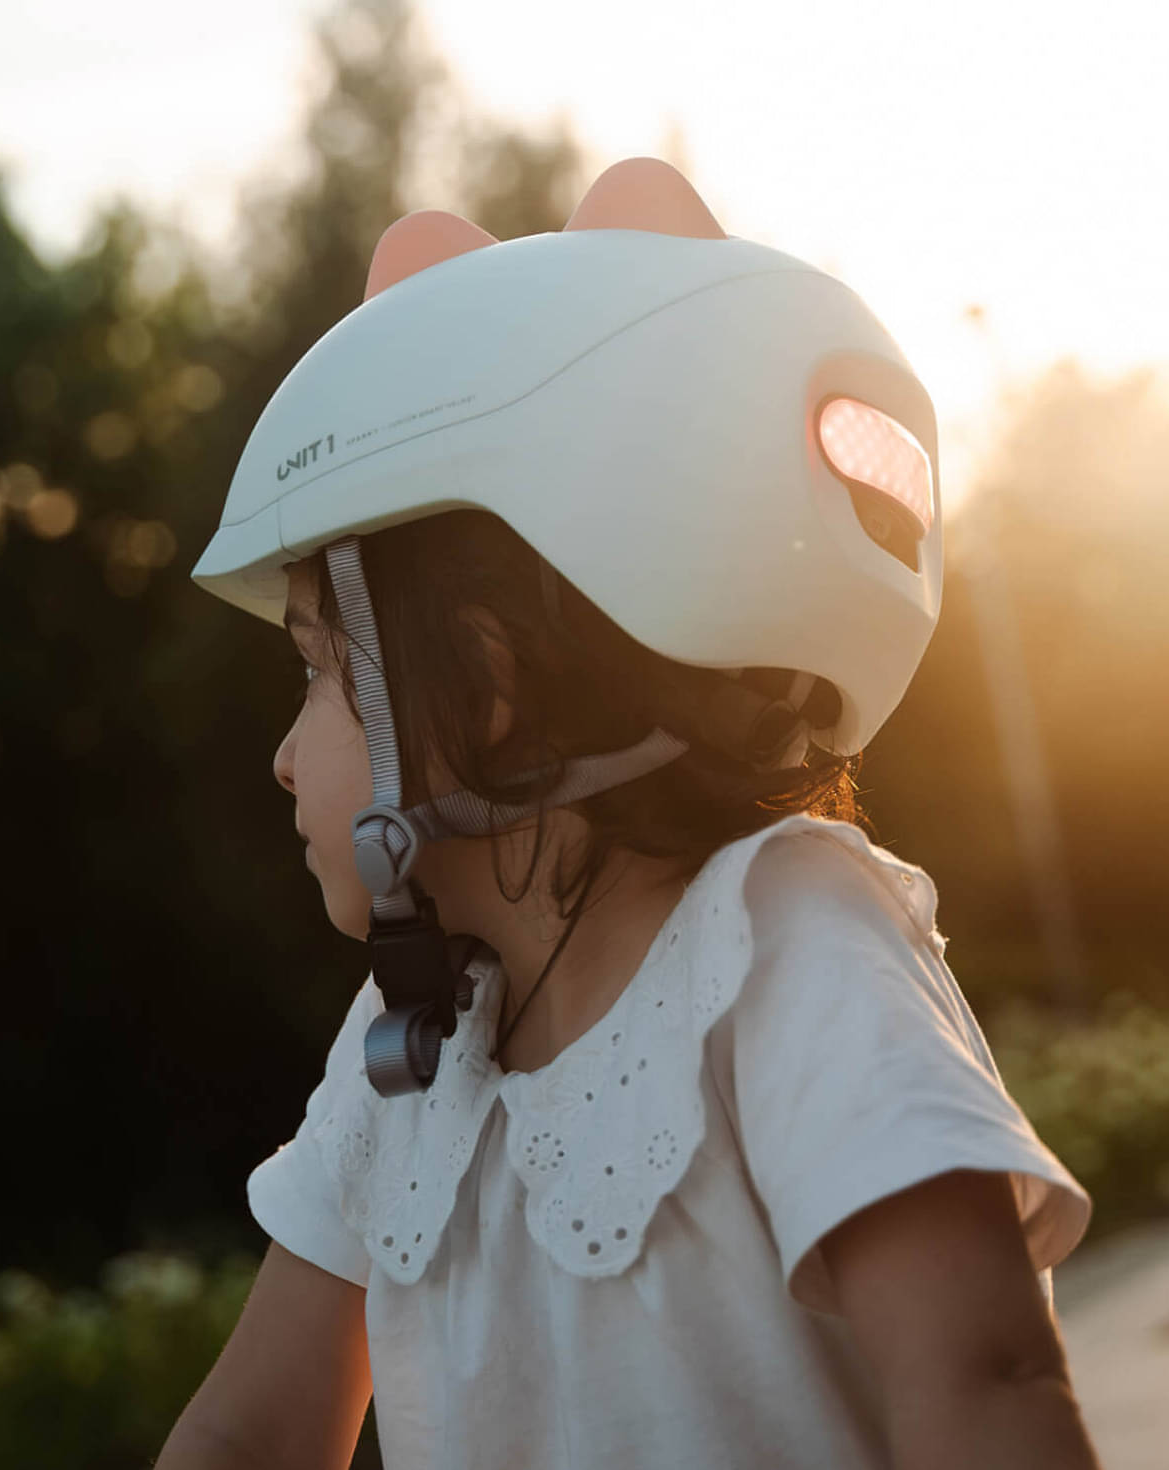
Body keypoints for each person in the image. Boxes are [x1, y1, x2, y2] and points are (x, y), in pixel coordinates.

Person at [156, 158, 1102, 1470]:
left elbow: (983, 1377)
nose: (279, 756)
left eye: (316, 669)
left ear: (486, 687)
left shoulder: (783, 941)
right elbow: (247, 1430)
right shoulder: (409, 1050)